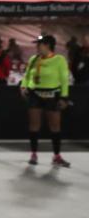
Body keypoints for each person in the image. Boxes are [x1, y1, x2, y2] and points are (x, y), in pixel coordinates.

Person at [21, 34, 71, 167]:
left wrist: (64, 97)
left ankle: (56, 156)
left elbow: (64, 80)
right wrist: (24, 86)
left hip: (52, 95)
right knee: (34, 125)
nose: (37, 46)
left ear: (48, 45)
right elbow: (27, 75)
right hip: (35, 94)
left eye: (39, 44)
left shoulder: (59, 60)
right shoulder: (33, 59)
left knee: (55, 126)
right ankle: (33, 154)